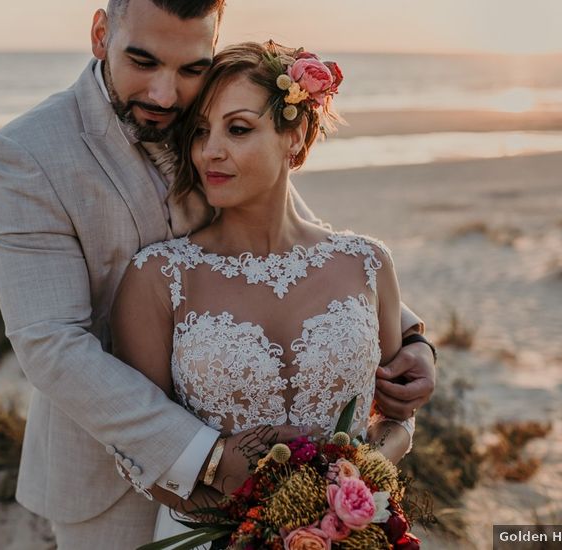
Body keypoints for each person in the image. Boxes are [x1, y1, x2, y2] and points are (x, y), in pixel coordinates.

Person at [0, 1, 436, 548]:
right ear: (102, 34)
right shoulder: (28, 153)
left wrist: (412, 340)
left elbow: (293, 238)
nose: (164, 95)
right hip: (106, 476)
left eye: (191, 68)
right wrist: (211, 458)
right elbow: (48, 343)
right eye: (142, 61)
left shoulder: (206, 118)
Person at [111, 40, 419, 543]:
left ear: (293, 136)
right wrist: (261, 526)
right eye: (200, 133)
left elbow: (395, 417)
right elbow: (140, 446)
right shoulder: (160, 277)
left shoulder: (367, 263)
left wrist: (346, 497)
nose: (211, 151)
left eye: (238, 129)